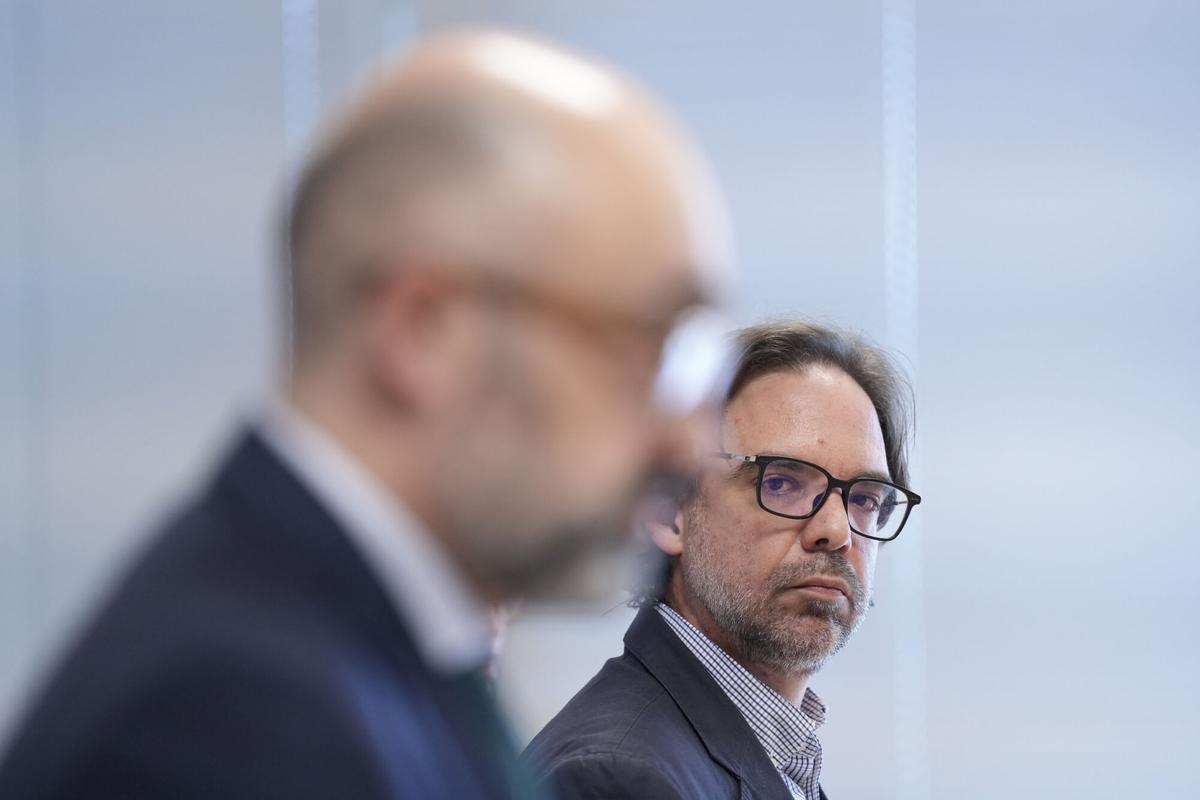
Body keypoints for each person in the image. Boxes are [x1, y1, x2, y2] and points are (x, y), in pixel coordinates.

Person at [0, 30, 733, 800]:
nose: (688, 442)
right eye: (654, 347)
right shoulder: (237, 721)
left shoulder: (353, 655)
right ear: (425, 330)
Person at [523, 320, 922, 800]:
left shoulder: (776, 757)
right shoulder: (617, 777)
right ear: (668, 510)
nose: (837, 531)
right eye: (781, 483)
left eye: (864, 499)